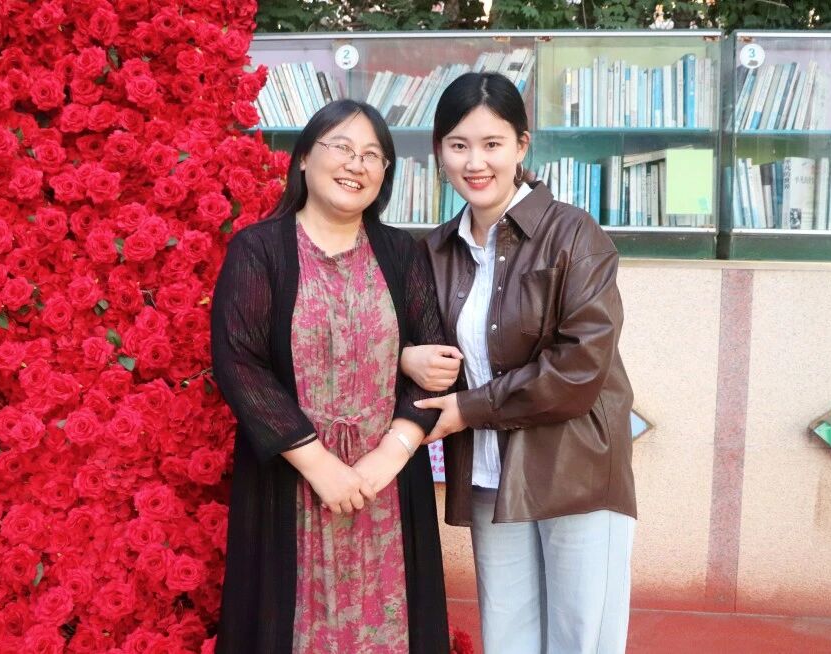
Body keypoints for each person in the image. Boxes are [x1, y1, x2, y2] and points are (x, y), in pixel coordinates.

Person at [402, 72, 637, 654]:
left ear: (521, 145)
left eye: (492, 143)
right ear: (439, 152)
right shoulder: (434, 250)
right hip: (490, 474)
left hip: (576, 470)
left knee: (582, 638)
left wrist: (468, 409)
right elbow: (408, 339)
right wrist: (407, 356)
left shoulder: (573, 233)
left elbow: (580, 366)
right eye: (458, 145)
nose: (474, 162)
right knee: (508, 637)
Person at [211, 99, 450, 654]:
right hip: (292, 479)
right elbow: (240, 362)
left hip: (387, 483)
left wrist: (387, 456)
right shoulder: (259, 249)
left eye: (372, 155)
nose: (356, 164)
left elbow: (434, 363)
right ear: (303, 158)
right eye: (341, 147)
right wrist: (320, 466)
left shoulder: (401, 252)